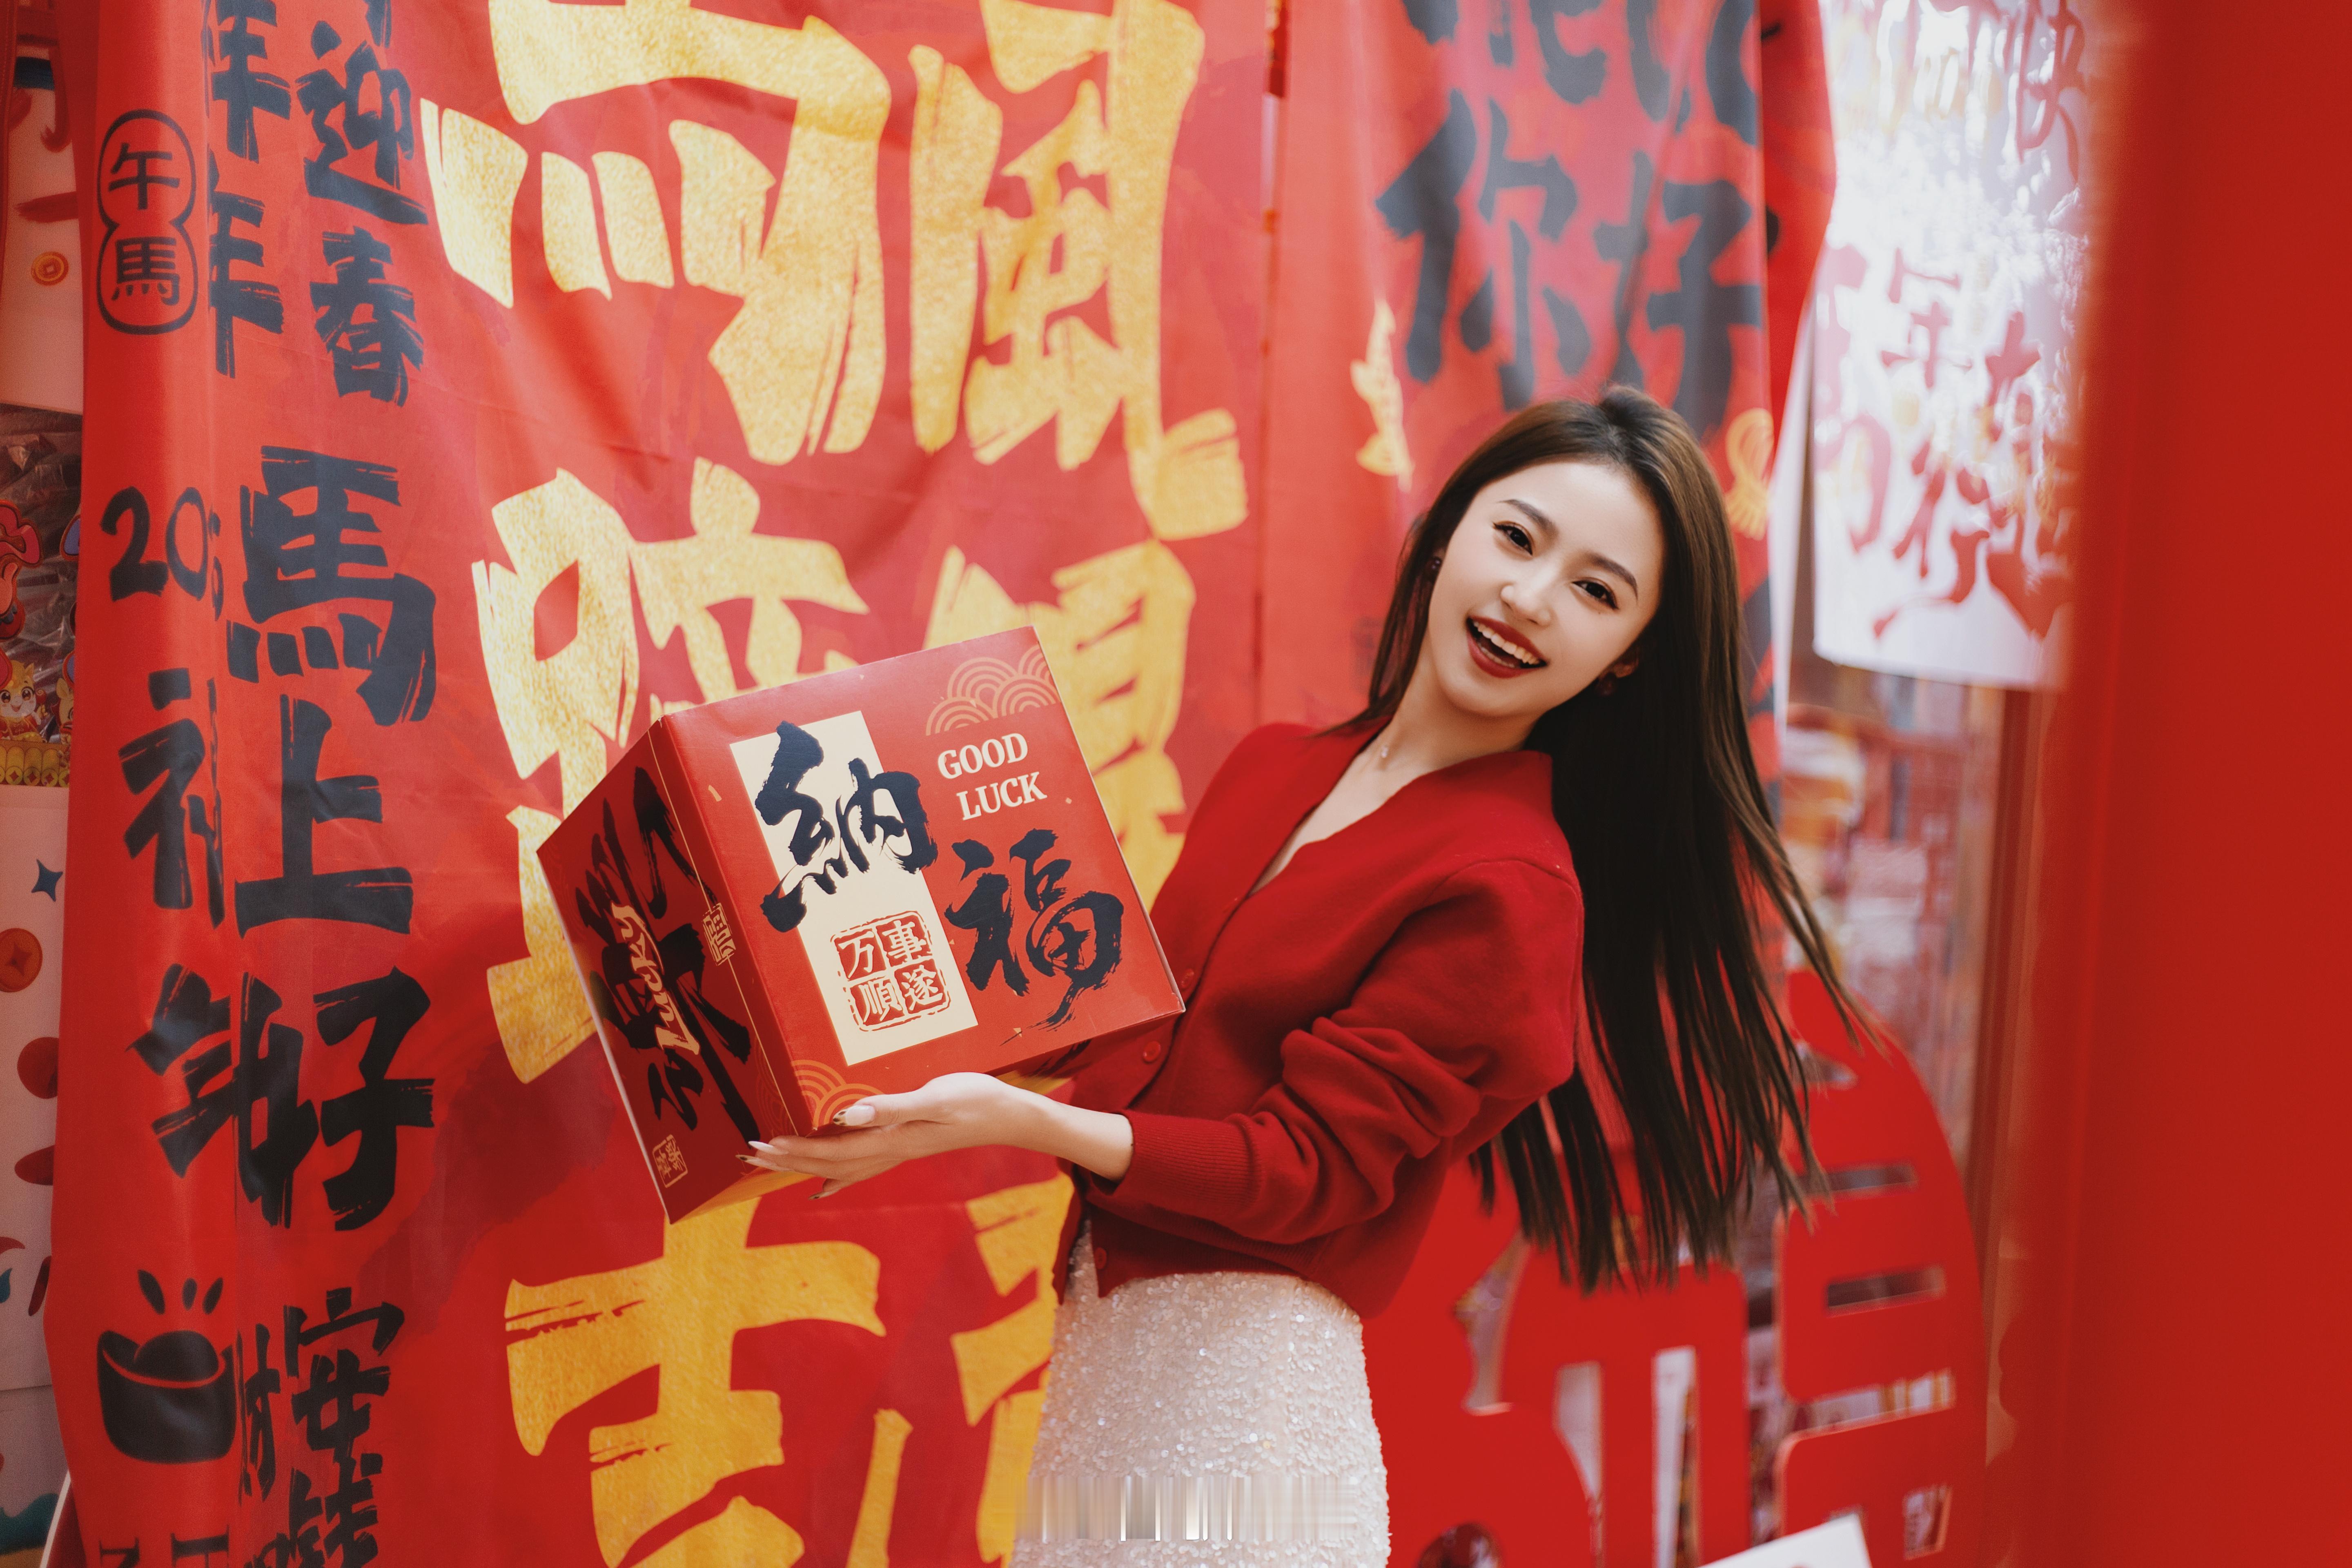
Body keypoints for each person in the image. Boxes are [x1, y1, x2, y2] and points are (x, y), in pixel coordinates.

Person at [747, 391, 1861, 1564]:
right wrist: (867, 985)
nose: (1531, 599)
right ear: (1449, 531)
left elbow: (1300, 1173)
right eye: (1517, 537)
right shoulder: (1274, 765)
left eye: (1596, 591)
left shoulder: (1512, 888)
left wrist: (1020, 1121)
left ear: (1626, 657)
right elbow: (1120, 1026)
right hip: (1105, 1386)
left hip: (1249, 1426)